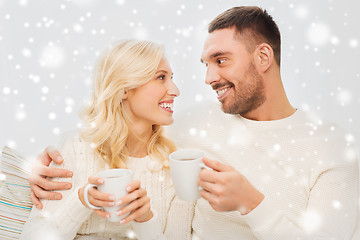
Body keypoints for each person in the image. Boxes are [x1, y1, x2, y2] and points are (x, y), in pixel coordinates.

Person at [30, 6, 359, 240]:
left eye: (221, 61)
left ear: (263, 57)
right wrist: (38, 170)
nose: (207, 78)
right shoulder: (191, 129)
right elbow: (124, 133)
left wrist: (252, 203)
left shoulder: (333, 147)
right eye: (205, 64)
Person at [21, 39, 194, 239]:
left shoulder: (180, 166)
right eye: (161, 77)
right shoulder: (77, 148)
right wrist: (82, 200)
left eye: (171, 77)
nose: (175, 90)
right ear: (125, 89)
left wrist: (145, 219)